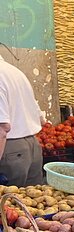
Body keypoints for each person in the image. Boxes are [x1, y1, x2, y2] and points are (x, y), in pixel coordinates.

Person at [0, 52, 45, 187]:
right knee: (30, 202)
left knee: (7, 204)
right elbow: (41, 118)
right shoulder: (16, 72)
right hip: (32, 147)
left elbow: (2, 128)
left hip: (9, 149)